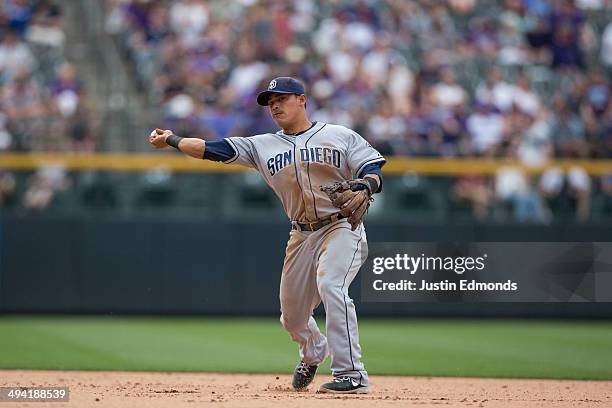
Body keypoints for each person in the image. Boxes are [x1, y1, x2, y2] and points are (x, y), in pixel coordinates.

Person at [149, 77, 385, 394]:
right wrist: (173, 140)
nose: (274, 105)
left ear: (302, 100)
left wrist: (367, 184)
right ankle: (313, 350)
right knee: (292, 318)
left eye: (282, 98)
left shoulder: (338, 135)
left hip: (342, 226)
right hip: (301, 235)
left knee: (332, 284)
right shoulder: (261, 146)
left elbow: (372, 166)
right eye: (270, 101)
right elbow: (209, 149)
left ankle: (351, 374)